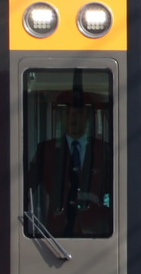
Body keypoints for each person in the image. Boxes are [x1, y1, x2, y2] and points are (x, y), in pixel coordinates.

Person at [28, 91, 112, 236]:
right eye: (68, 114)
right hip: (57, 229)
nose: (73, 119)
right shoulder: (46, 149)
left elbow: (117, 189)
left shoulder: (103, 149)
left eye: (78, 114)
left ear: (87, 117)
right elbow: (27, 186)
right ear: (61, 117)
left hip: (98, 231)